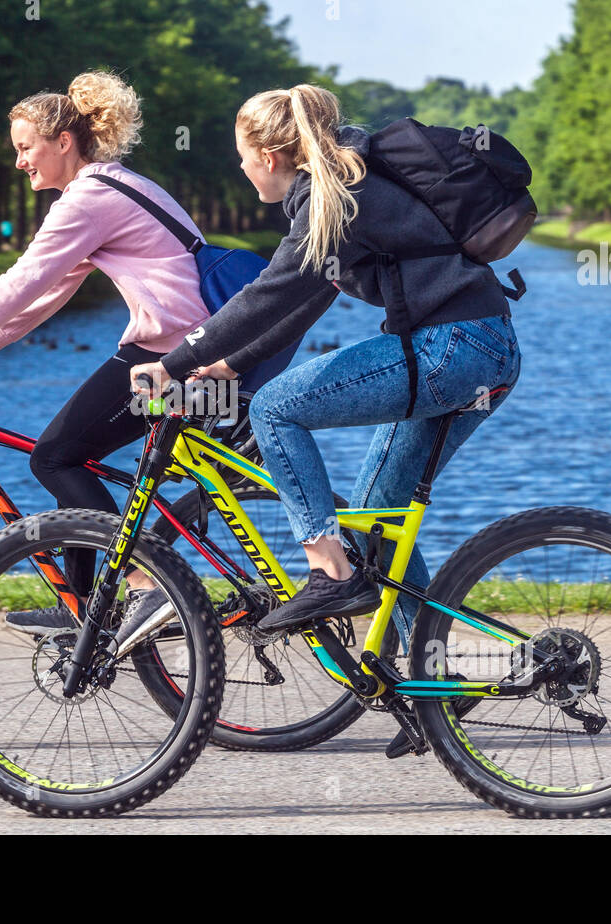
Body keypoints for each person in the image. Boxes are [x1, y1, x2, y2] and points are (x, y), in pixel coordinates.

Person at [132, 84, 522, 648]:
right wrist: (231, 364)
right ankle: (429, 689)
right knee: (376, 520)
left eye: (242, 159)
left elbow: (269, 294)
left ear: (268, 157)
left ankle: (329, 572)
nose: (242, 169)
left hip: (451, 348)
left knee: (276, 408)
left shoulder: (330, 196)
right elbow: (304, 301)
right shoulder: (346, 187)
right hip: (478, 348)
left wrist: (173, 362)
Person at [0, 71, 260, 645]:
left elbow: (18, 282)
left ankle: (140, 587)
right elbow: (51, 290)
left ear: (63, 142)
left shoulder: (87, 199)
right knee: (68, 457)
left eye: (25, 148)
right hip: (196, 344)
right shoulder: (113, 185)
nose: (19, 162)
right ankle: (89, 607)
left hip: (172, 354)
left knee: (55, 458)